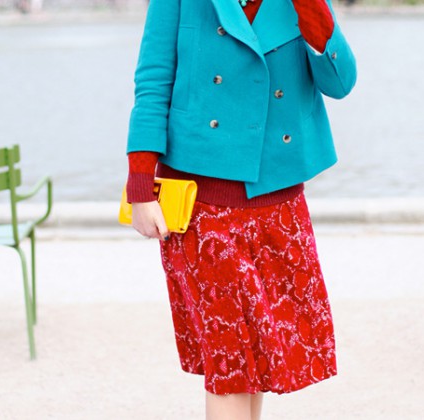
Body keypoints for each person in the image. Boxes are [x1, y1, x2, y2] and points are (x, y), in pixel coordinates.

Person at [125, 0, 356, 418]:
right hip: (202, 202)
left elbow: (340, 82)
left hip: (278, 202)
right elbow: (154, 80)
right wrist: (141, 186)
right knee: (230, 365)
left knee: (259, 359)